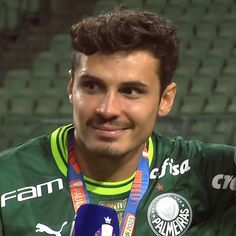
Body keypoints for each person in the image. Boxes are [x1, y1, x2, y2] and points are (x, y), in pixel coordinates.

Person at [0, 5, 235, 236]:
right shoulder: (8, 180)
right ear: (71, 87)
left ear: (165, 99)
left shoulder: (208, 173)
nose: (107, 109)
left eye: (131, 91)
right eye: (92, 86)